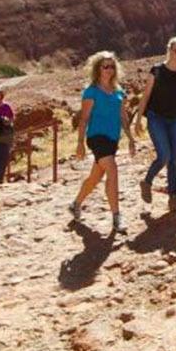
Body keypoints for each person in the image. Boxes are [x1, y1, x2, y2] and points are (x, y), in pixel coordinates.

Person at [69, 51, 135, 235]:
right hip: (96, 137)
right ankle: (116, 217)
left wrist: (130, 138)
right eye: (105, 66)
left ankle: (76, 204)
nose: (109, 70)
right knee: (112, 170)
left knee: (95, 177)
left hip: (113, 138)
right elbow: (84, 118)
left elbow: (123, 116)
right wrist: (80, 143)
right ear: (98, 69)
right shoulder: (91, 91)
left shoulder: (118, 91)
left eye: (112, 66)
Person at [137, 36, 176, 211]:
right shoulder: (156, 71)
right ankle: (147, 181)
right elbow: (146, 96)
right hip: (156, 118)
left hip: (175, 119)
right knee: (164, 156)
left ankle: (173, 198)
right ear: (169, 50)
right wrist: (138, 119)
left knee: (174, 160)